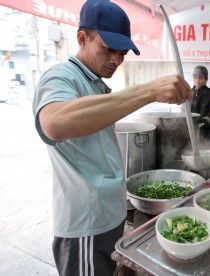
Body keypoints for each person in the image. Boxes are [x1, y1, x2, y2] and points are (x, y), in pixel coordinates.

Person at [31, 1, 191, 275]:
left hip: (109, 217)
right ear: (82, 38)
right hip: (85, 226)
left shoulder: (97, 85)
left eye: (123, 53)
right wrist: (148, 91)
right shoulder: (61, 77)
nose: (117, 60)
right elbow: (54, 122)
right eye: (108, 49)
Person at [190, 65, 210, 143]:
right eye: (195, 77)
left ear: (206, 79)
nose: (197, 80)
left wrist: (206, 120)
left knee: (207, 154)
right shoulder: (188, 93)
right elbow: (183, 110)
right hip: (191, 133)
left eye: (200, 78)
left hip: (206, 134)